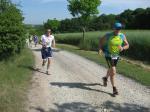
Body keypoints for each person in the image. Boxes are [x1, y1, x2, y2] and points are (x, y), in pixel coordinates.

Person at [98, 22, 129, 96]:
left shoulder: (122, 36)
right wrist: (100, 49)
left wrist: (123, 48)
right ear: (114, 28)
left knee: (111, 69)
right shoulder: (108, 35)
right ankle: (114, 88)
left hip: (116, 56)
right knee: (113, 71)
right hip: (108, 55)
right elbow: (100, 41)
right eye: (117, 28)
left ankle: (105, 78)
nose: (119, 30)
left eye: (120, 28)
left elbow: (127, 45)